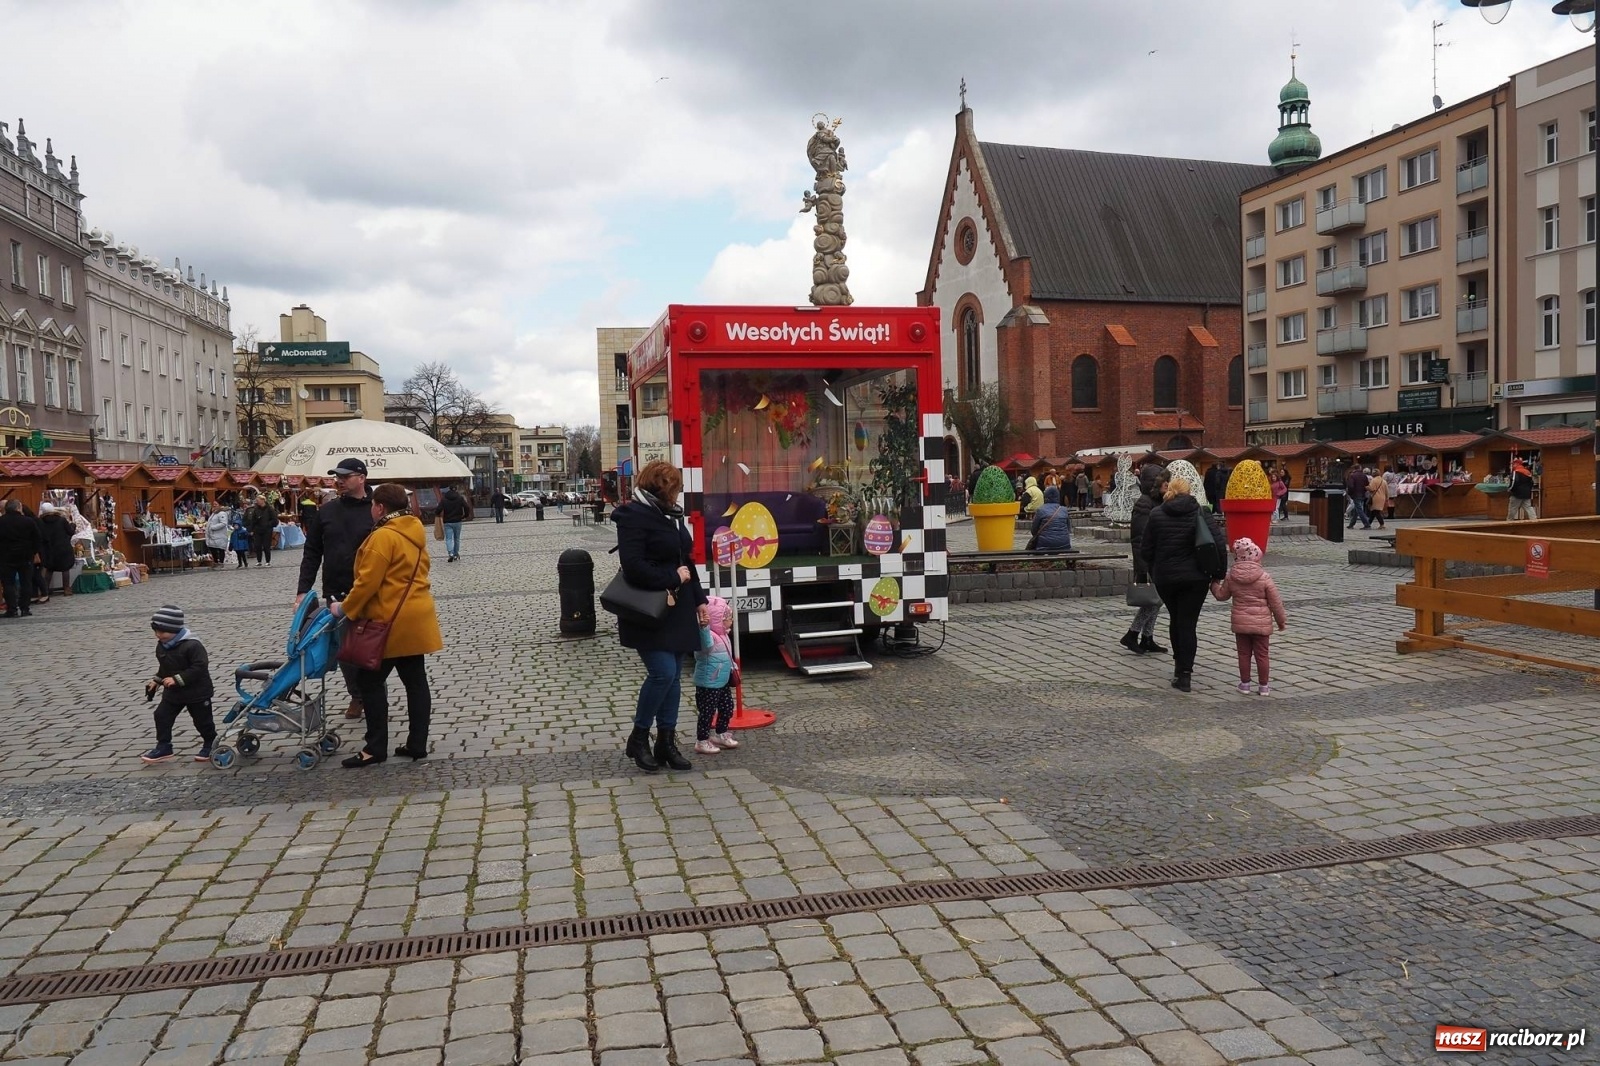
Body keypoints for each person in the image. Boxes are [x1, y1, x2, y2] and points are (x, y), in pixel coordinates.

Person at [331, 483, 443, 767]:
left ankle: (374, 748)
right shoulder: (414, 530)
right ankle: (417, 744)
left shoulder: (384, 536)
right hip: (417, 615)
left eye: (372, 505)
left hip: (390, 618)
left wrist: (344, 608)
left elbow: (368, 582)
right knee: (416, 681)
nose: (371, 509)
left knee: (369, 681)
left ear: (380, 507)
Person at [612, 459, 708, 774]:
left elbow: (686, 561)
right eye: (675, 490)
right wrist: (673, 577)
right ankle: (639, 737)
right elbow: (634, 565)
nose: (678, 496)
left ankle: (666, 741)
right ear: (661, 489)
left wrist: (699, 600)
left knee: (674, 675)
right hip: (649, 608)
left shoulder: (670, 515)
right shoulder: (633, 516)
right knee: (662, 672)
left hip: (678, 607)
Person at [297, 458, 377, 721]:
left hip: (371, 591)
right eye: (337, 476)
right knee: (345, 650)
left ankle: (376, 697)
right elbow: (312, 552)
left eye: (345, 475)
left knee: (372, 648)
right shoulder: (327, 511)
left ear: (362, 477)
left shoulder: (377, 510)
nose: (339, 480)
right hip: (337, 592)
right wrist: (302, 590)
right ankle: (357, 695)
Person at [1140, 477, 1225, 693]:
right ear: (1189, 492)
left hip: (1166, 578)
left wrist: (1154, 569)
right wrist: (1218, 574)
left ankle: (1179, 669)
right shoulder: (1201, 512)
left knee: (1176, 619)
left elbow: (1146, 550)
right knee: (1188, 623)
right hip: (1196, 579)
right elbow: (1219, 544)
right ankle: (1185, 673)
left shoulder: (1157, 514)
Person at [1210, 537, 1287, 697]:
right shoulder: (1264, 577)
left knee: (1243, 654)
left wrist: (1214, 584)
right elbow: (1276, 603)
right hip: (1261, 625)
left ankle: (1245, 684)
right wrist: (1281, 622)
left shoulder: (1231, 577)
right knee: (1262, 655)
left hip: (1241, 624)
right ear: (1256, 556)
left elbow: (1221, 596)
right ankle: (1264, 686)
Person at [141, 604, 217, 763]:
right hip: (174, 693)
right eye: (156, 631)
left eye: (162, 632)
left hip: (197, 692)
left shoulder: (193, 645)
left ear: (175, 629)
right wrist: (157, 680)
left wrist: (177, 679)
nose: (158, 635)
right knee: (161, 715)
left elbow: (199, 667)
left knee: (202, 721)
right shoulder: (162, 645)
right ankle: (164, 746)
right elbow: (165, 667)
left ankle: (211, 742)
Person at [1121, 464, 1168, 656]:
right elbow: (1139, 538)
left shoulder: (1156, 502)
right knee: (1154, 600)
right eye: (1164, 481)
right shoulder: (1144, 503)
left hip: (1157, 559)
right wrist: (1143, 567)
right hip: (1149, 561)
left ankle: (1147, 637)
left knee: (1157, 599)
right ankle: (1132, 634)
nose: (1168, 484)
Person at [692, 595, 739, 756]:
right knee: (707, 712)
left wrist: (732, 666)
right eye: (727, 617)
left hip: (722, 679)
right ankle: (702, 740)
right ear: (717, 619)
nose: (730, 620)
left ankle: (721, 733)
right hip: (709, 682)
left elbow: (726, 654)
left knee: (727, 708)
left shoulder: (724, 635)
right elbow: (706, 646)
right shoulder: (708, 635)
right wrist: (704, 627)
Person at [0, 499, 41, 618]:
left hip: (5, 557)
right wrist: (33, 552)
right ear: (18, 508)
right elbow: (37, 538)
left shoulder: (1, 522)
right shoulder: (28, 521)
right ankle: (25, 608)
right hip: (25, 556)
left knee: (8, 584)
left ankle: (12, 609)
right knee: (26, 582)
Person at [35, 502, 74, 602]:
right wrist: (73, 525)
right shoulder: (61, 520)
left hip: (49, 548)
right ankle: (66, 589)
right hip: (63, 547)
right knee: (65, 568)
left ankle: (46, 590)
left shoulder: (40, 521)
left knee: (49, 569)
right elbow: (70, 531)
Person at [1029, 486, 1073, 551]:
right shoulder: (1064, 510)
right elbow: (1068, 529)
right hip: (1064, 544)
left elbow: (1033, 530)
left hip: (1045, 544)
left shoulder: (1040, 510)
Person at [438, 484, 470, 561]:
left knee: (449, 538)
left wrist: (437, 514)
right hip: (457, 521)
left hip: (447, 521)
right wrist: (465, 515)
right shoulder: (460, 498)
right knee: (457, 538)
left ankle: (450, 553)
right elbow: (467, 507)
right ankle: (456, 554)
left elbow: (438, 509)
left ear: (449, 489)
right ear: (456, 489)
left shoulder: (444, 498)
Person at [246, 494, 278, 567]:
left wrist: (268, 524)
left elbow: (274, 520)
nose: (257, 502)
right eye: (256, 501)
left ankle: (267, 561)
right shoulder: (256, 509)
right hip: (258, 530)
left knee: (266, 546)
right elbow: (253, 520)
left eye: (258, 500)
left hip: (267, 530)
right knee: (257, 546)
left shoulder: (270, 509)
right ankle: (259, 561)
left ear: (263, 500)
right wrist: (251, 529)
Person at [1345, 464, 1371, 530]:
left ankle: (1367, 524)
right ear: (1360, 468)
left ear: (1354, 469)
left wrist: (1350, 494)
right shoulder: (1364, 476)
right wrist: (1364, 491)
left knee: (1359, 510)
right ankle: (1351, 524)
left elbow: (1350, 486)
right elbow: (1367, 485)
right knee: (1357, 509)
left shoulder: (1352, 476)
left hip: (1356, 494)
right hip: (1362, 494)